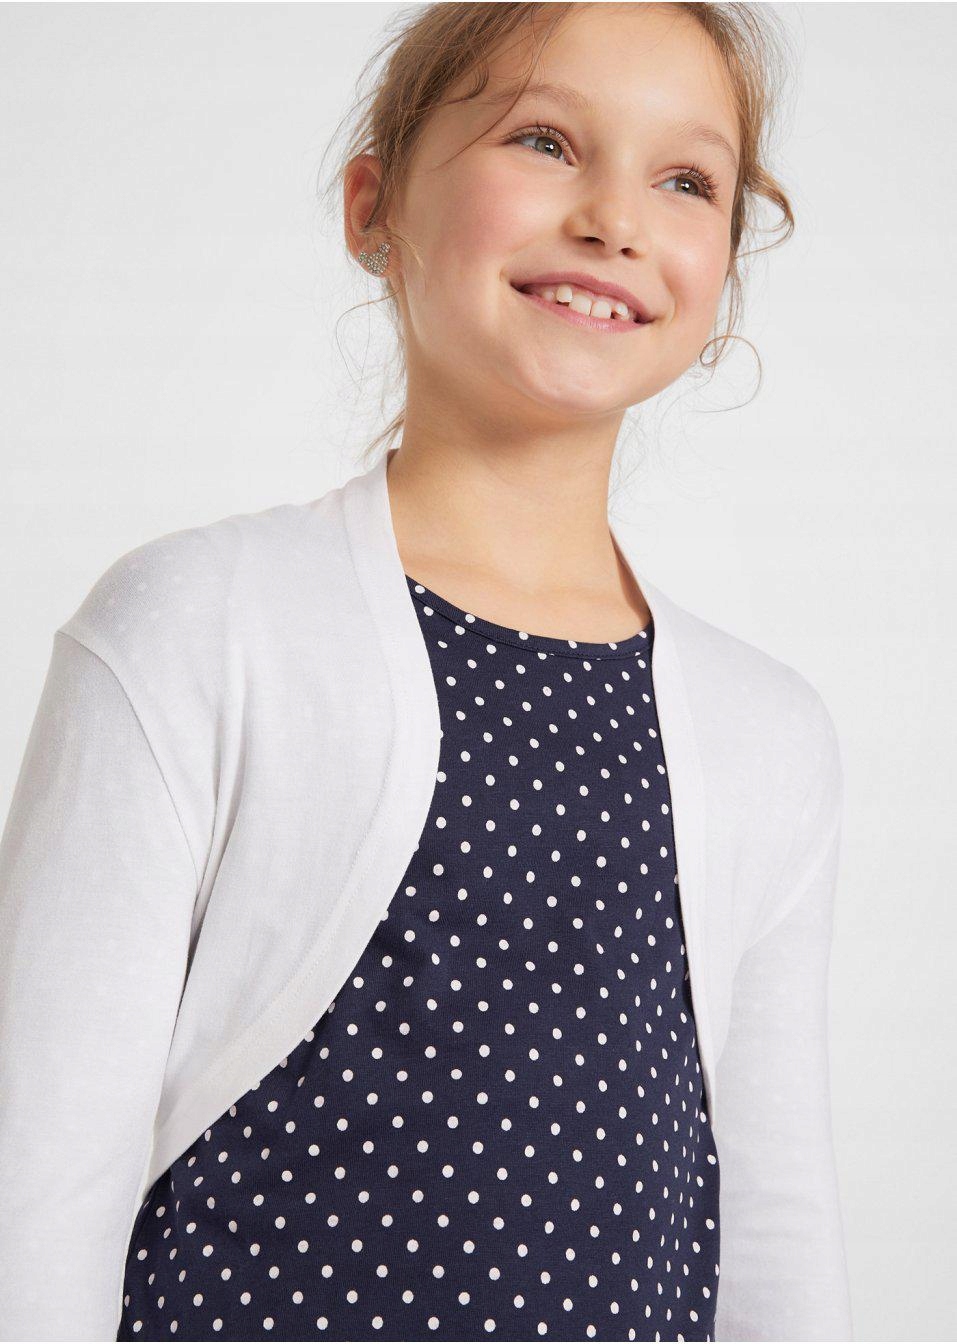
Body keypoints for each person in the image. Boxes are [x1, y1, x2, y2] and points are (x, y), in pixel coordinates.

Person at [0, 4, 853, 1341]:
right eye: (545, 141)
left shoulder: (768, 735)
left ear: (725, 267)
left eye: (685, 179)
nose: (614, 220)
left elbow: (773, 1233)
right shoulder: (200, 624)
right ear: (374, 206)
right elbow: (36, 1178)